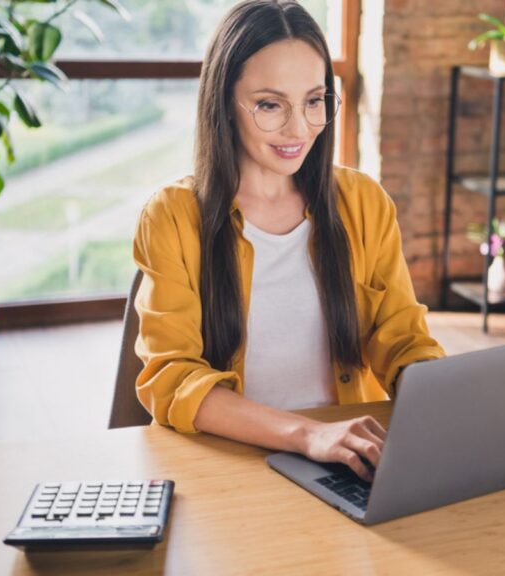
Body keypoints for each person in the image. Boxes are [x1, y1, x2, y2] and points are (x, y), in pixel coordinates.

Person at [132, 0, 444, 482]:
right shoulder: (172, 216)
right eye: (270, 105)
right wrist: (306, 435)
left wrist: (447, 402)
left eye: (315, 100)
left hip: (344, 457)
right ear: (224, 104)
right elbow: (173, 379)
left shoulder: (364, 203)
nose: (299, 129)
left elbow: (402, 338)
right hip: (232, 460)